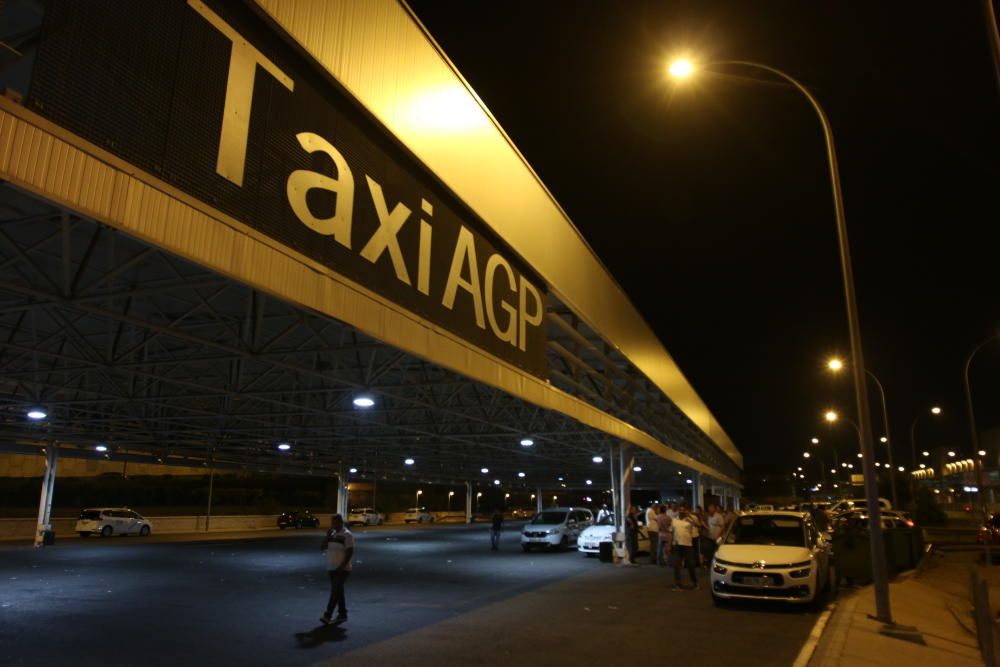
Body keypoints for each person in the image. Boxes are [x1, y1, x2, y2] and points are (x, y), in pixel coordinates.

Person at [320, 513, 354, 625]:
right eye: (332, 523)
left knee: (335, 591)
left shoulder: (347, 535)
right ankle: (343, 614)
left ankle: (327, 615)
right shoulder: (332, 534)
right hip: (331, 567)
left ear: (341, 522)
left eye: (336, 523)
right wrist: (327, 536)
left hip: (342, 569)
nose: (333, 525)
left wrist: (342, 566)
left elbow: (349, 552)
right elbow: (322, 547)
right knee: (338, 591)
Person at [671, 505, 698, 590]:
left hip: (687, 545)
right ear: (678, 511)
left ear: (686, 511)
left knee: (690, 565)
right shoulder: (674, 520)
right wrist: (669, 544)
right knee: (676, 565)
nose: (682, 512)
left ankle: (695, 583)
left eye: (683, 510)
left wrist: (689, 515)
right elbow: (672, 532)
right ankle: (678, 585)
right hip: (677, 545)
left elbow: (698, 525)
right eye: (680, 510)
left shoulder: (690, 520)